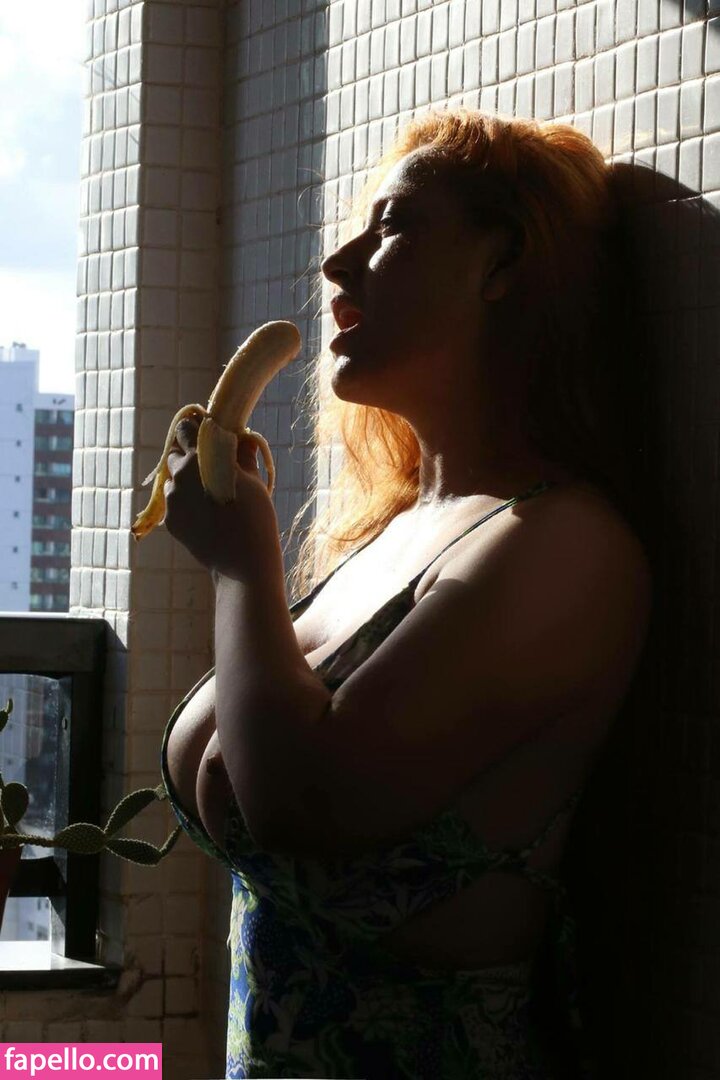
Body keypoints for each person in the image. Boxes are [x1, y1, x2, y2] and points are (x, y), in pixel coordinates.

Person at [158, 109, 652, 1078]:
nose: (337, 264)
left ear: (501, 265)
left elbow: (303, 801)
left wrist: (241, 565)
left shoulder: (563, 548)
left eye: (390, 229)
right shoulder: (393, 535)